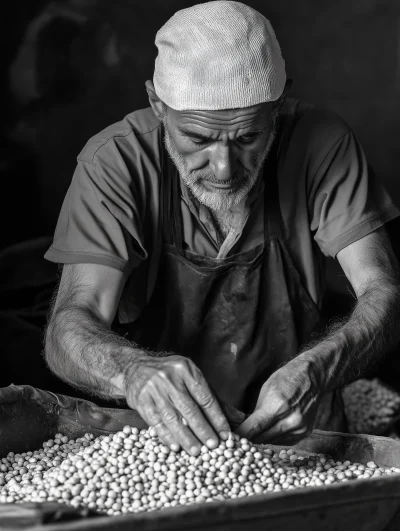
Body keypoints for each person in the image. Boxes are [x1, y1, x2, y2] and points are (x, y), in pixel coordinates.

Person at [44, 1, 400, 455]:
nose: (225, 169)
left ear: (278, 104)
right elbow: (70, 325)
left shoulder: (321, 144)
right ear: (157, 104)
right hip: (164, 444)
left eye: (248, 138)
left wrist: (316, 371)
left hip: (307, 437)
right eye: (198, 139)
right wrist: (130, 370)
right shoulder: (115, 163)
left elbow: (383, 290)